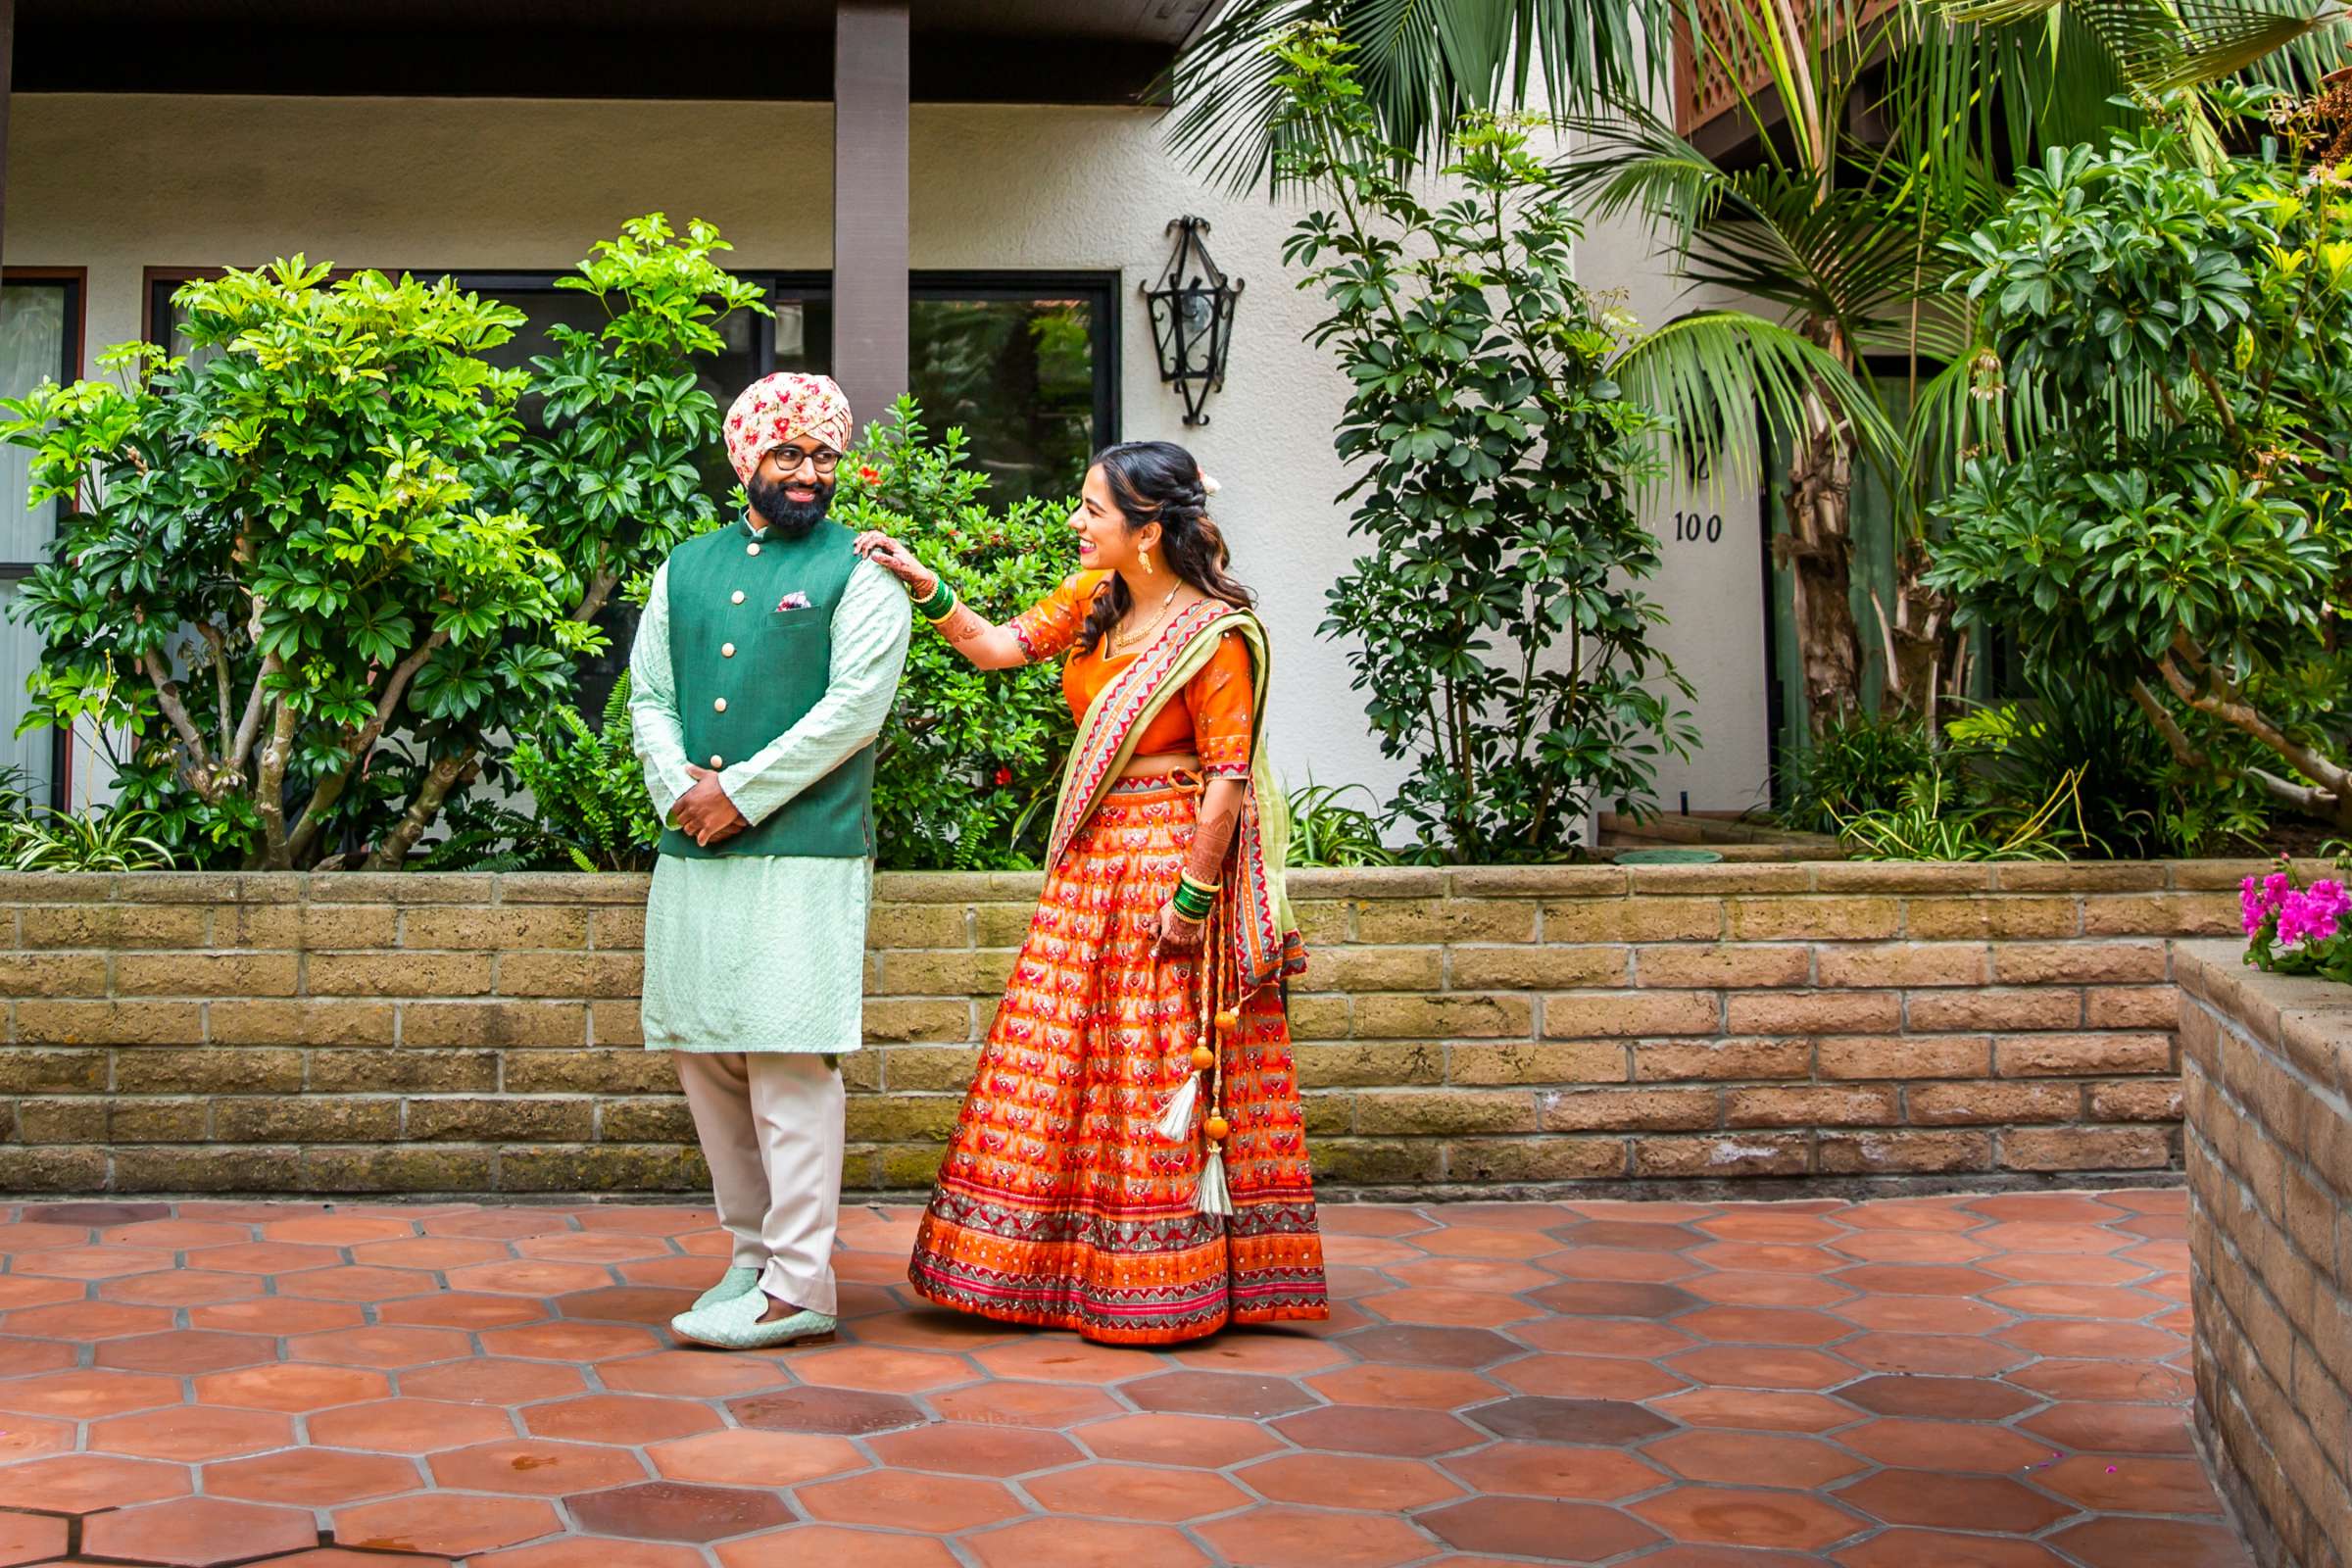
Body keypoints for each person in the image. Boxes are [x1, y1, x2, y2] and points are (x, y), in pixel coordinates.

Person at [858, 440, 1329, 1346]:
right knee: (1054, 1055)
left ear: (1147, 531)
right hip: (1089, 861)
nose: (1075, 523)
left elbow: (1226, 778)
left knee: (1148, 1061)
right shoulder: (1091, 601)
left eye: (1092, 510)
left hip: (1168, 860)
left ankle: (1157, 1280)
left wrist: (1193, 898)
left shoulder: (1215, 637)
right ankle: (1032, 1273)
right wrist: (924, 583)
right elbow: (998, 649)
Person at [628, 372, 912, 1351]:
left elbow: (852, 714)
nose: (808, 472)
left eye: (824, 455)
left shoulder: (865, 572)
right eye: (787, 453)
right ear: (746, 458)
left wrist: (735, 792)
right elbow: (649, 695)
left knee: (788, 1053)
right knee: (705, 1048)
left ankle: (803, 1284)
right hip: (692, 839)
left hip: (805, 847)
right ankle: (750, 1257)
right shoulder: (684, 568)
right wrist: (678, 786)